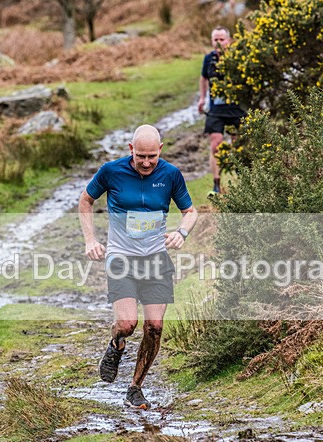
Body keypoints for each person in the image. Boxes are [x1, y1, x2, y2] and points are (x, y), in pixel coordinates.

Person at [78, 125, 197, 409]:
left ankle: (135, 388)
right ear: (131, 149)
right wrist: (90, 240)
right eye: (141, 155)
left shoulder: (171, 174)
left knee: (154, 326)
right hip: (121, 258)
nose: (146, 162)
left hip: (156, 258)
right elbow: (85, 200)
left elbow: (190, 212)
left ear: (161, 150)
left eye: (152, 156)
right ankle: (117, 344)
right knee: (127, 324)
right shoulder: (111, 171)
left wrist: (181, 233)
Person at [198, 26, 246, 195]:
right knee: (215, 144)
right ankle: (216, 184)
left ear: (229, 41)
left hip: (236, 108)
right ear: (212, 41)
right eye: (215, 39)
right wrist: (202, 98)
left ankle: (243, 181)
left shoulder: (237, 58)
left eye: (222, 39)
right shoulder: (208, 59)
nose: (218, 43)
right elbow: (204, 78)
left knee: (238, 144)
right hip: (216, 109)